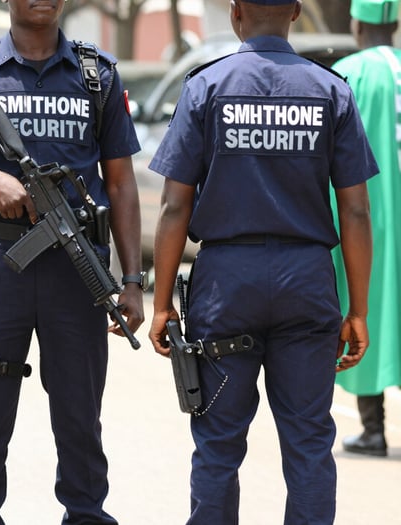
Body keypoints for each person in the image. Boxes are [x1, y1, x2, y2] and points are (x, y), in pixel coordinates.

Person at [0, 0, 144, 523]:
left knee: (80, 419)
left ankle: (86, 513)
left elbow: (122, 182)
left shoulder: (95, 73)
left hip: (77, 269)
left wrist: (131, 280)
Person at [147, 1, 375, 523]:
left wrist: (161, 304)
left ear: (235, 13)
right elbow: (356, 209)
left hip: (228, 287)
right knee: (310, 443)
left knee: (218, 446)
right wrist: (357, 309)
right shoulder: (330, 91)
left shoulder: (206, 87)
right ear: (296, 12)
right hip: (307, 284)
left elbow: (175, 204)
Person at [330, 0, 401, 458]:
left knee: (365, 310)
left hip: (369, 218)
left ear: (357, 23)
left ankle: (373, 429)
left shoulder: (348, 73)